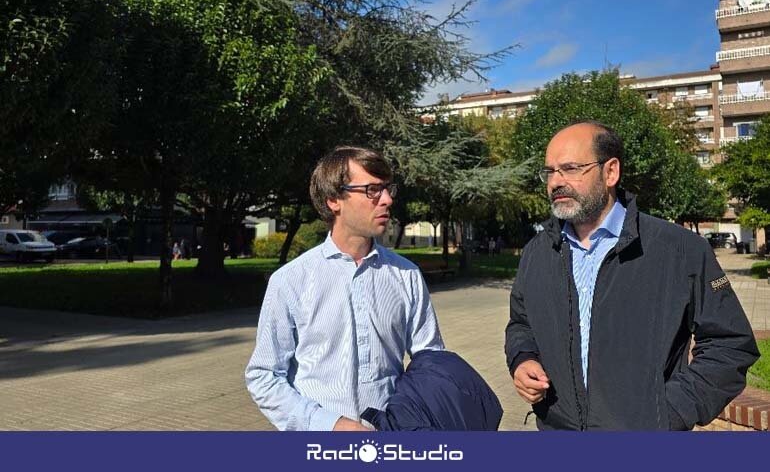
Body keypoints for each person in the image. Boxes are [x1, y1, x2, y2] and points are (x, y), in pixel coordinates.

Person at [504, 121, 759, 431]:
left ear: (610, 172)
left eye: (570, 169)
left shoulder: (678, 250)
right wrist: (523, 358)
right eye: (550, 172)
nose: (556, 182)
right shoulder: (537, 253)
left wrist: (668, 413)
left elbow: (730, 345)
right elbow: (521, 323)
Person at [245, 146, 444, 431]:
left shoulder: (406, 276)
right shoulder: (291, 280)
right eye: (372, 190)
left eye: (387, 189)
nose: (386, 200)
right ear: (334, 200)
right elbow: (264, 376)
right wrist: (328, 425)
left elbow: (431, 365)